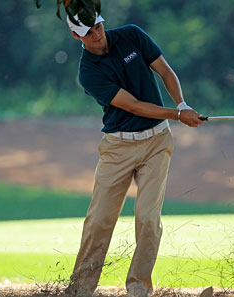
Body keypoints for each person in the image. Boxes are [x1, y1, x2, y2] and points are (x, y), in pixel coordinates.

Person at [64, 12, 204, 297]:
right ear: (76, 36)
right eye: (88, 31)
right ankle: (80, 290)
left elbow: (165, 71)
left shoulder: (131, 35)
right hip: (118, 148)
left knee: (148, 218)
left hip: (157, 142)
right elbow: (134, 106)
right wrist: (178, 115)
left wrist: (182, 103)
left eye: (98, 25)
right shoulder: (88, 72)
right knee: (100, 220)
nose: (97, 33)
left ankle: (139, 289)